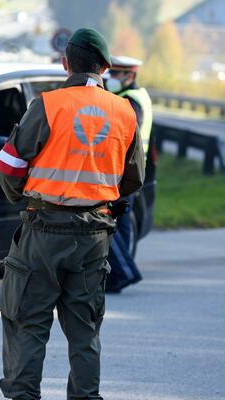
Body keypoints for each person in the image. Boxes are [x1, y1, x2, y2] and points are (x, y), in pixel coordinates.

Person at [0, 28, 145, 400]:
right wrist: (99, 198)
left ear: (65, 63)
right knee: (85, 330)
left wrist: (23, 197)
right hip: (94, 234)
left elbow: (10, 165)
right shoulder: (124, 112)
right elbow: (134, 178)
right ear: (105, 68)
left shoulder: (48, 105)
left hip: (43, 231)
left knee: (27, 322)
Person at [104, 55, 154, 293]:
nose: (111, 78)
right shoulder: (138, 95)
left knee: (109, 222)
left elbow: (123, 135)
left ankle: (123, 273)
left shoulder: (130, 101)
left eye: (116, 74)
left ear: (130, 75)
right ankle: (120, 274)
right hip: (131, 172)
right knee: (121, 224)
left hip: (122, 172)